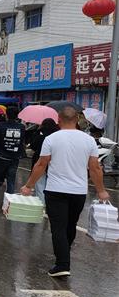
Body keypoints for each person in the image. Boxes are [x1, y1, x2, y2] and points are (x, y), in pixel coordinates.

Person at [20, 107, 109, 277]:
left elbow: (41, 164)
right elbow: (95, 167)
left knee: (58, 228)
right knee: (70, 225)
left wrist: (29, 186)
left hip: (56, 190)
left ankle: (62, 263)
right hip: (79, 191)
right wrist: (101, 191)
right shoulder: (89, 140)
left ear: (59, 120)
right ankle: (64, 255)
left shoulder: (51, 139)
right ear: (77, 120)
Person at [0, 106, 25, 207]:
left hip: (1, 156)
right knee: (11, 180)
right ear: (17, 115)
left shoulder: (0, 126)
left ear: (6, 115)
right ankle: (9, 202)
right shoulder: (21, 127)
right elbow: (22, 141)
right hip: (15, 157)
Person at [28, 118, 59, 204]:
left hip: (40, 160)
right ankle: (50, 205)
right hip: (54, 161)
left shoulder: (39, 132)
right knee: (51, 185)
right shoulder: (57, 134)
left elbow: (33, 145)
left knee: (40, 184)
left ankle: (42, 205)